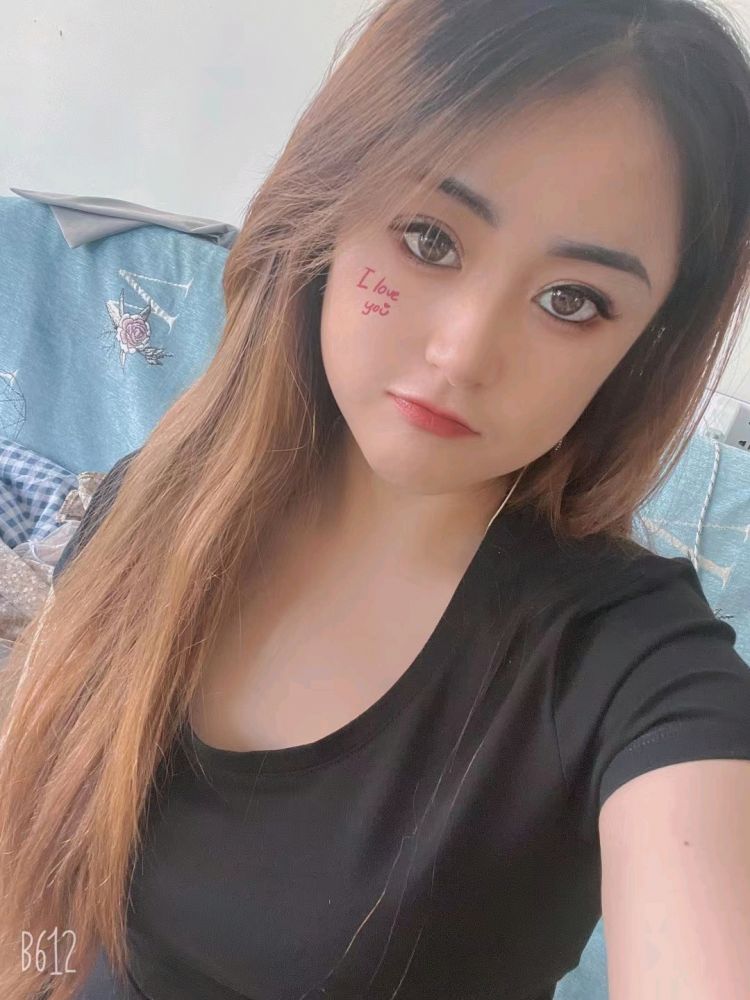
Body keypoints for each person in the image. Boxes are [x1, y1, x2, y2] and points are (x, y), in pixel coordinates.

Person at [3, 0, 750, 997]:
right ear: (328, 208)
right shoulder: (154, 500)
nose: (464, 352)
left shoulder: (625, 663)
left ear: (642, 348)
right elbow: (43, 908)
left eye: (572, 300)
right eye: (430, 237)